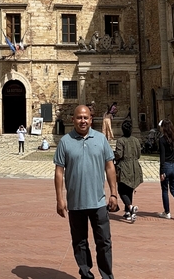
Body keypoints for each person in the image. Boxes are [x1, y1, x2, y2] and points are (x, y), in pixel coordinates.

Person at [53, 105, 121, 279]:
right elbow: (59, 172)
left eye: (85, 118)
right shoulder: (65, 142)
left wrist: (114, 194)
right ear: (73, 120)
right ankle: (86, 274)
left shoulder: (101, 139)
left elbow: (110, 167)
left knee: (104, 241)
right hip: (76, 203)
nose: (82, 121)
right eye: (79, 118)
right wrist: (59, 199)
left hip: (98, 202)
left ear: (91, 120)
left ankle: (107, 276)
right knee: (80, 242)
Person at [112, 119, 143, 223]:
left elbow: (119, 154)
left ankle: (130, 207)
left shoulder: (121, 141)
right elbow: (138, 155)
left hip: (124, 166)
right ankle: (127, 212)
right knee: (129, 188)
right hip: (134, 167)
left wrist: (113, 155)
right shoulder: (136, 140)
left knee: (121, 190)